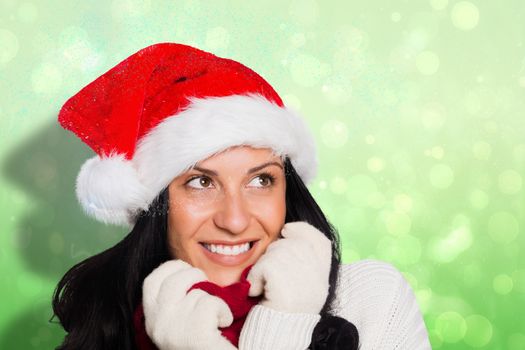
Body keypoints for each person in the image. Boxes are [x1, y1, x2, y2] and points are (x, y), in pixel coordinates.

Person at [52, 42, 431, 349]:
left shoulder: (372, 299)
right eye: (201, 183)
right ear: (157, 208)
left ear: (287, 189)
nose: (234, 221)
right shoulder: (107, 327)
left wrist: (285, 322)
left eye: (260, 181)